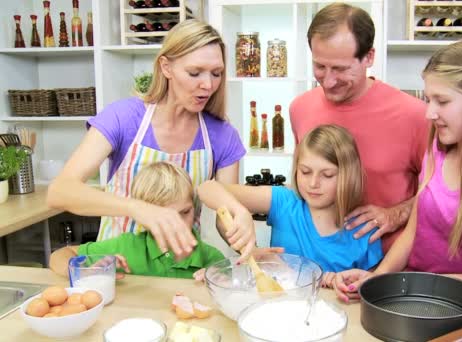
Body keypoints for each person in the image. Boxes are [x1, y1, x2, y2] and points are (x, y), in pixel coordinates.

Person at [333, 39, 462, 306]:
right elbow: (414, 232)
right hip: (416, 299)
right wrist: (377, 278)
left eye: (442, 101)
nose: (429, 113)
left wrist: (407, 284)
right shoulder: (438, 150)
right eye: (428, 99)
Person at [47, 20, 255, 261]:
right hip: (116, 268)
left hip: (179, 270)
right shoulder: (124, 118)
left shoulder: (222, 135)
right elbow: (60, 192)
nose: (208, 85)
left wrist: (242, 229)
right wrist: (139, 209)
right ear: (166, 67)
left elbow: (223, 215)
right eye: (194, 73)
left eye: (216, 74)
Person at [290, 2, 428, 253]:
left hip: (389, 268)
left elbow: (442, 192)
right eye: (320, 66)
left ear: (369, 57)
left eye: (341, 69)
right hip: (321, 270)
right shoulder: (299, 109)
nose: (328, 81)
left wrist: (396, 214)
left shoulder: (416, 115)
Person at [197, 125, 383, 287]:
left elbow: (369, 290)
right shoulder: (285, 201)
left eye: (327, 175)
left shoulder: (364, 229)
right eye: (305, 172)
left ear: (348, 177)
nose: (313, 183)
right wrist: (240, 212)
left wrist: (340, 285)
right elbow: (206, 188)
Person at [49, 162, 225, 280]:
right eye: (165, 217)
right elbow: (58, 256)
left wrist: (219, 283)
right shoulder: (127, 247)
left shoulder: (211, 258)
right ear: (145, 217)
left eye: (185, 212)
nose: (178, 224)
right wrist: (85, 273)